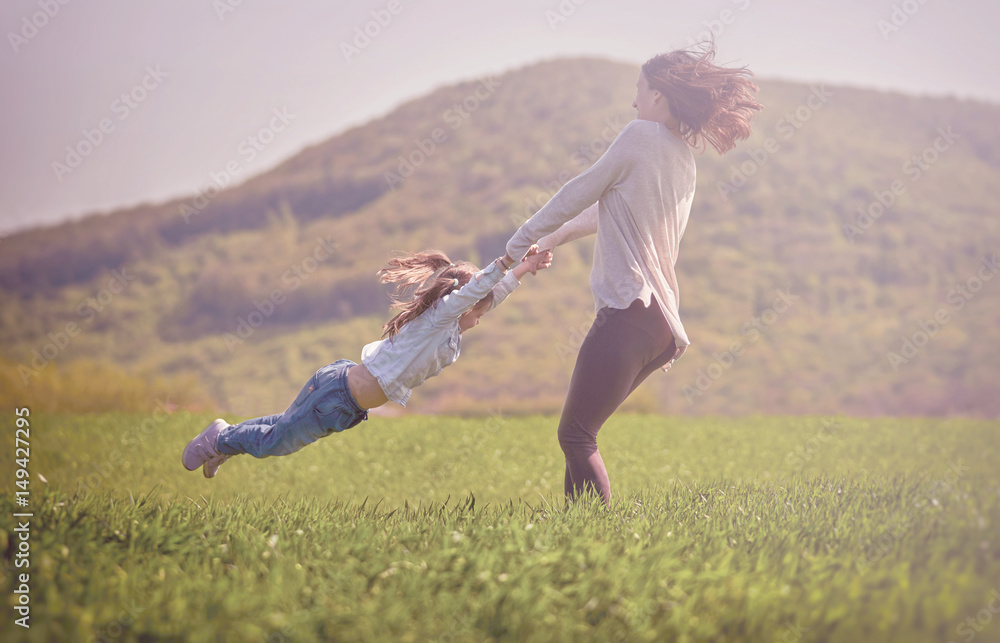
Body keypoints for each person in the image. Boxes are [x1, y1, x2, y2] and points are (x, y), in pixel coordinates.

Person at [506, 43, 762, 504]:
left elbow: (582, 190)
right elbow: (607, 208)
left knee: (576, 435)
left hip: (629, 311)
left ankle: (596, 537)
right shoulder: (682, 158)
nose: (634, 100)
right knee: (580, 432)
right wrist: (550, 239)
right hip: (661, 327)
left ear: (658, 94)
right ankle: (578, 533)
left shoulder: (640, 136)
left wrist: (520, 239)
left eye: (639, 89)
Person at [182, 246, 551, 478]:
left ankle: (225, 439)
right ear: (465, 304)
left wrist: (525, 268)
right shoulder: (440, 319)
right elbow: (478, 292)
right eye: (479, 312)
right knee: (278, 443)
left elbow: (490, 296)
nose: (481, 318)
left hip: (346, 403)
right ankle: (221, 439)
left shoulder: (448, 329)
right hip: (338, 394)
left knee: (283, 428)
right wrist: (505, 262)